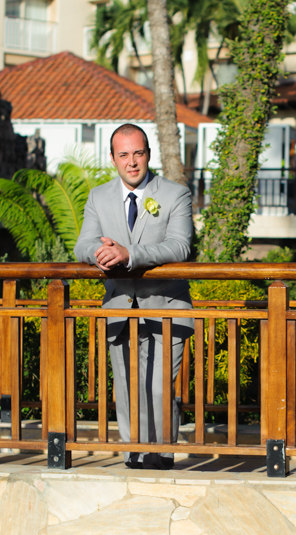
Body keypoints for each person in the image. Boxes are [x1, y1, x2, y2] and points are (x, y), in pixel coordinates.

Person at [74, 123, 193, 470]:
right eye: (123, 154)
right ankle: (134, 458)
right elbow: (82, 243)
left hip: (165, 307)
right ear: (112, 158)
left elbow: (180, 245)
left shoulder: (174, 194)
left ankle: (161, 456)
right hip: (119, 307)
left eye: (138, 153)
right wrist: (100, 252)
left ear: (148, 155)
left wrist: (130, 254)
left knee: (158, 388)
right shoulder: (98, 196)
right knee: (125, 389)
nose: (132, 162)